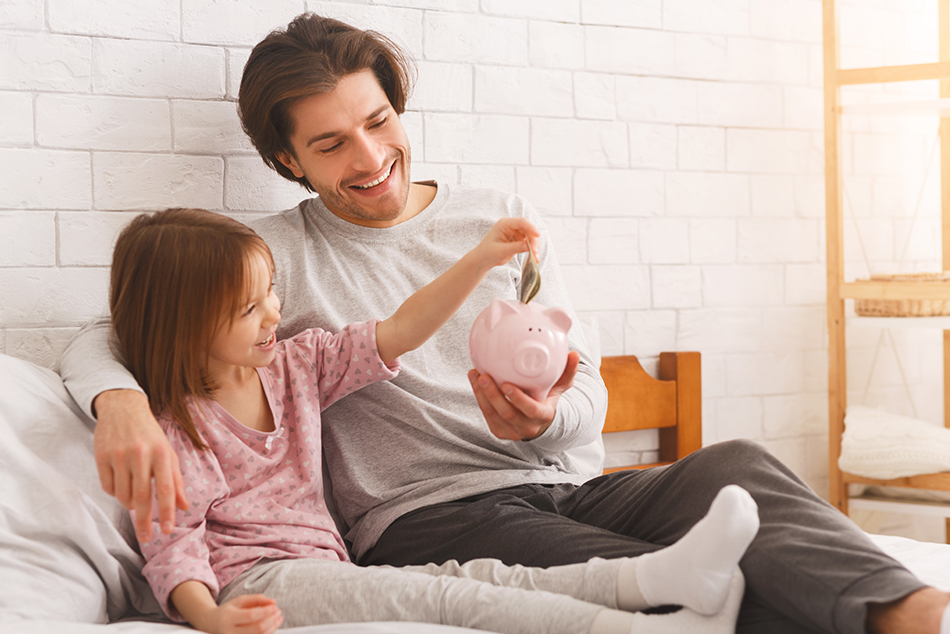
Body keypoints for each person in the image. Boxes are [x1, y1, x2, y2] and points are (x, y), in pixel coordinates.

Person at [59, 12, 950, 634]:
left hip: (565, 477)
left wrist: (548, 418)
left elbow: (586, 386)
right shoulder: (270, 260)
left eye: (377, 122)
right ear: (286, 159)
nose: (371, 159)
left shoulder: (497, 220)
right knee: (625, 572)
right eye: (331, 145)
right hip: (429, 518)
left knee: (737, 470)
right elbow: (118, 329)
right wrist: (122, 404)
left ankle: (913, 612)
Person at [106, 206, 758, 634]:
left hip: (331, 568)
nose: (276, 312)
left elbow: (400, 330)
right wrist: (210, 619)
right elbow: (174, 547)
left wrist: (479, 260)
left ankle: (656, 579)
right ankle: (650, 629)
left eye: (271, 291)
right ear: (185, 325)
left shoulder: (294, 366)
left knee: (468, 580)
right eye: (251, 309)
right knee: (443, 601)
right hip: (262, 586)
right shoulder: (177, 429)